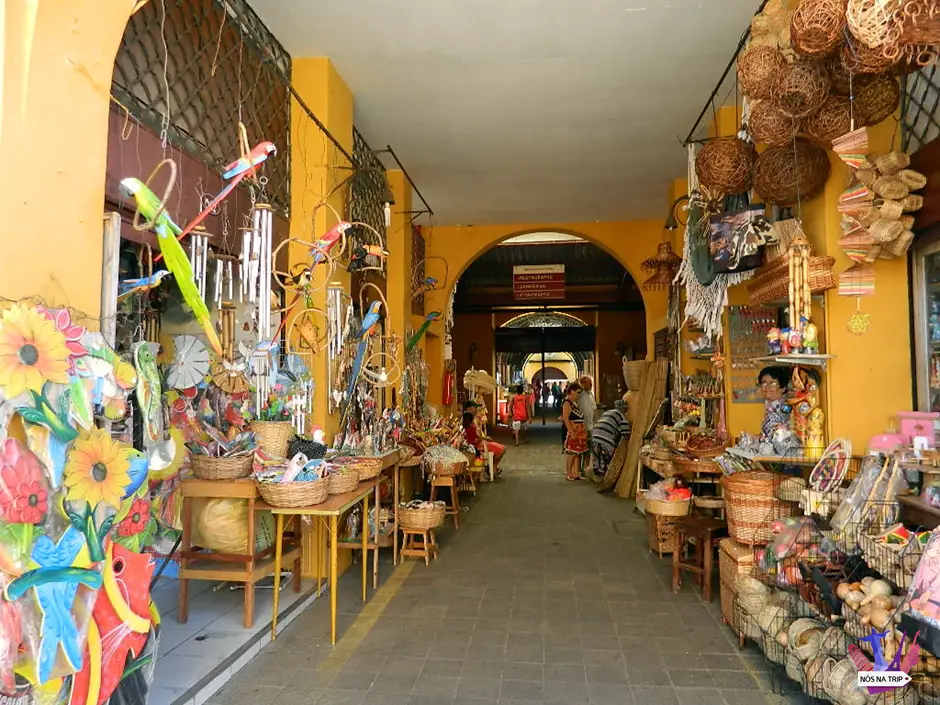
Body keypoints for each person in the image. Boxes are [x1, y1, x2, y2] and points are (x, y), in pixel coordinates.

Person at [591, 398, 631, 482]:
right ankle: (606, 479)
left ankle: (597, 477)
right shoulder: (621, 415)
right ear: (624, 409)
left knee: (598, 457)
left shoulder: (608, 412)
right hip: (606, 438)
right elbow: (626, 433)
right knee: (606, 458)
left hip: (595, 435)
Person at [464, 399, 505, 472]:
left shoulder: (472, 418)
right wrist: (483, 438)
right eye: (475, 407)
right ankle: (492, 468)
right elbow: (474, 436)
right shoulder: (468, 419)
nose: (477, 409)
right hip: (478, 445)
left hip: (480, 442)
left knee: (503, 448)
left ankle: (492, 467)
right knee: (502, 450)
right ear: (470, 408)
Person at [561, 382, 587, 481]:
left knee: (577, 452)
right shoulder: (567, 403)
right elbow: (566, 418)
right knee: (571, 452)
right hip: (573, 429)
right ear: (571, 391)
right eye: (577, 392)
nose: (578, 395)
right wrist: (571, 431)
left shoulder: (575, 403)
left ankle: (576, 473)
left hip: (580, 430)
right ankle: (569, 472)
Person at [758, 366, 791, 440]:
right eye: (764, 383)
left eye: (772, 383)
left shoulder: (786, 408)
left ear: (783, 388)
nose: (767, 387)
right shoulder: (769, 406)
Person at [577, 375, 597, 479]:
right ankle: (578, 470)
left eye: (591, 383)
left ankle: (585, 469)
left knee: (589, 449)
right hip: (581, 426)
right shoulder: (579, 395)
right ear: (583, 384)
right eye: (588, 383)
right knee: (581, 449)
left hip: (590, 426)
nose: (591, 385)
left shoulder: (591, 395)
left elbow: (594, 408)